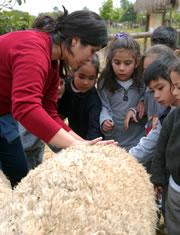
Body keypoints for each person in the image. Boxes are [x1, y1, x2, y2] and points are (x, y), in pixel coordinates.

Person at [0, 9, 115, 187]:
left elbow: (49, 111)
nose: (90, 59)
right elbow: (26, 109)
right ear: (75, 41)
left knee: (19, 176)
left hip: (4, 114)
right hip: (6, 113)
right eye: (92, 51)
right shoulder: (34, 52)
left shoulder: (53, 61)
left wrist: (83, 144)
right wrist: (76, 147)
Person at [97, 33, 146, 151]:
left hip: (138, 140)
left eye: (127, 63)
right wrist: (104, 120)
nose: (122, 68)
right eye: (117, 62)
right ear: (110, 61)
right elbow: (103, 105)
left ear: (137, 62)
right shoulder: (104, 83)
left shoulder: (143, 81)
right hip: (112, 142)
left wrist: (138, 105)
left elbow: (149, 98)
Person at [151, 59, 180, 235]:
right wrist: (158, 178)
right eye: (174, 86)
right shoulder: (173, 116)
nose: (175, 92)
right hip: (175, 188)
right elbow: (160, 150)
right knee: (174, 225)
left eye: (179, 87)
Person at [58, 54, 103, 140]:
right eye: (81, 77)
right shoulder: (65, 88)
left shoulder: (94, 99)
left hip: (89, 139)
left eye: (91, 78)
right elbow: (59, 113)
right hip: (71, 136)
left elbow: (94, 127)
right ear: (73, 72)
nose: (85, 82)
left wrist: (89, 145)